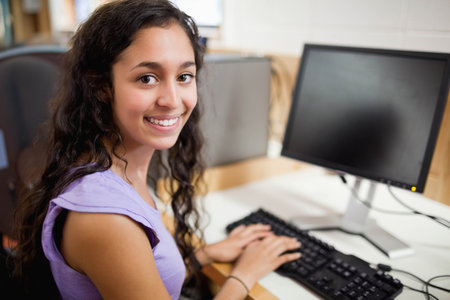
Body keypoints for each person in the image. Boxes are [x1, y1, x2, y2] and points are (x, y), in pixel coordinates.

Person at [11, 0, 302, 299]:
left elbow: (141, 277)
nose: (172, 99)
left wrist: (204, 255)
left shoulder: (117, 168)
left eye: (184, 76)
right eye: (147, 78)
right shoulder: (106, 219)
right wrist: (244, 275)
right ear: (100, 86)